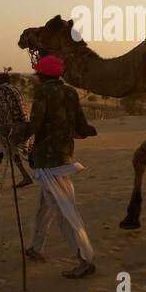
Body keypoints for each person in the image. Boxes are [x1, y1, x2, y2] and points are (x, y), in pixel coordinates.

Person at [21, 55, 98, 279]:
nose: (37, 77)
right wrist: (88, 131)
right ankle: (35, 247)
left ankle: (84, 259)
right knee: (44, 208)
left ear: (43, 75)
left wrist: (13, 130)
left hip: (49, 161)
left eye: (38, 73)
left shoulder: (43, 92)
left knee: (64, 213)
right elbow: (82, 126)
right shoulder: (71, 92)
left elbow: (34, 125)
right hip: (63, 157)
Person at [0, 72, 33, 188]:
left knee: (11, 151)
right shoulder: (14, 90)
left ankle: (25, 176)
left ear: (1, 80)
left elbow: (2, 110)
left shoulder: (3, 90)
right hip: (19, 125)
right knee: (1, 152)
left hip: (10, 128)